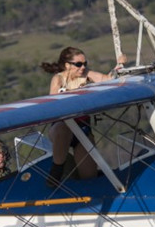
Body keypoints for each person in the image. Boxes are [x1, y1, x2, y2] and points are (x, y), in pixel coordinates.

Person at [40, 47, 124, 186]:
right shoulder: (58, 79)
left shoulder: (87, 74)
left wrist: (119, 65)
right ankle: (56, 170)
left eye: (85, 63)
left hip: (82, 128)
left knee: (89, 179)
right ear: (67, 65)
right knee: (63, 129)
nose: (83, 67)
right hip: (62, 127)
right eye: (78, 64)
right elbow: (52, 105)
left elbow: (108, 79)